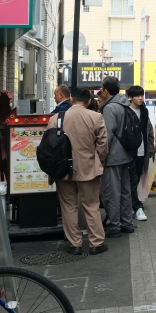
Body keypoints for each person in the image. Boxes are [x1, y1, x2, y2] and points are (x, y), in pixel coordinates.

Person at [46, 87, 109, 255]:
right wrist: (98, 161)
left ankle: (75, 244)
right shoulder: (95, 117)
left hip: (62, 170)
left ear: (71, 99)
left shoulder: (55, 118)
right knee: (91, 206)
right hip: (88, 168)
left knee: (68, 207)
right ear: (88, 101)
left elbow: (48, 146)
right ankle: (96, 243)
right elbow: (103, 145)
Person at [98, 76, 136, 237]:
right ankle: (127, 222)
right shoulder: (125, 104)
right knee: (125, 190)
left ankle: (114, 225)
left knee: (111, 192)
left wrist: (101, 156)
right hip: (126, 154)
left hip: (112, 156)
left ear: (106, 90)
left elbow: (106, 136)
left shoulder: (110, 108)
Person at [126, 85, 154, 221]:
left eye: (142, 95)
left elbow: (148, 130)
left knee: (136, 179)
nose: (140, 98)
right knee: (131, 180)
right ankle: (137, 207)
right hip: (130, 152)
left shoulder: (144, 111)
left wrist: (151, 147)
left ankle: (133, 205)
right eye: (137, 95)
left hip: (142, 151)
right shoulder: (126, 111)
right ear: (130, 97)